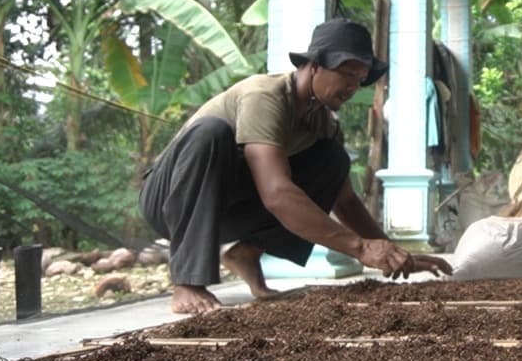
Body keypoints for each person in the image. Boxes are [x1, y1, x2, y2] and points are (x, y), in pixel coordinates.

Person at [140, 17, 452, 313]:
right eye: (347, 73)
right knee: (212, 132)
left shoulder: (322, 122)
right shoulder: (265, 96)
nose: (353, 86)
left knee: (333, 159)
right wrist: (359, 248)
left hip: (223, 210)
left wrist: (391, 250)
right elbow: (276, 193)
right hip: (169, 199)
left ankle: (248, 251)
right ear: (314, 65)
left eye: (359, 79)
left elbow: (344, 200)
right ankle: (187, 282)